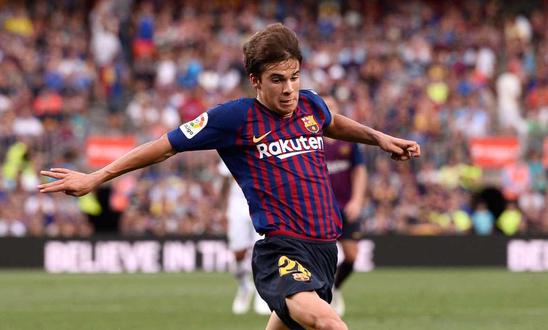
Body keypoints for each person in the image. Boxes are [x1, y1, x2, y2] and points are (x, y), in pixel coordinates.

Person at [38, 23, 420, 330]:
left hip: (324, 250)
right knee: (328, 323)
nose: (288, 89)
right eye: (276, 79)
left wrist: (380, 138)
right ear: (255, 80)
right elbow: (164, 144)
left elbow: (333, 123)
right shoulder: (233, 119)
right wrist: (96, 177)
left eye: (294, 76)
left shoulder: (310, 105)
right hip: (281, 252)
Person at [322, 96, 368, 317]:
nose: (328, 110)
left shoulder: (348, 140)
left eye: (332, 107)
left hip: (345, 207)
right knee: (321, 257)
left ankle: (335, 288)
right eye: (325, 106)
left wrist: (357, 200)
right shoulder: (312, 140)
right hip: (322, 209)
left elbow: (359, 171)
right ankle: (319, 299)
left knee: (351, 256)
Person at [218, 161, 270, 315]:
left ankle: (263, 294)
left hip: (261, 201)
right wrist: (222, 210)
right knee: (238, 253)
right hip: (237, 204)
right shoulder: (229, 140)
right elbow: (225, 183)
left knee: (261, 251)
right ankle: (244, 287)